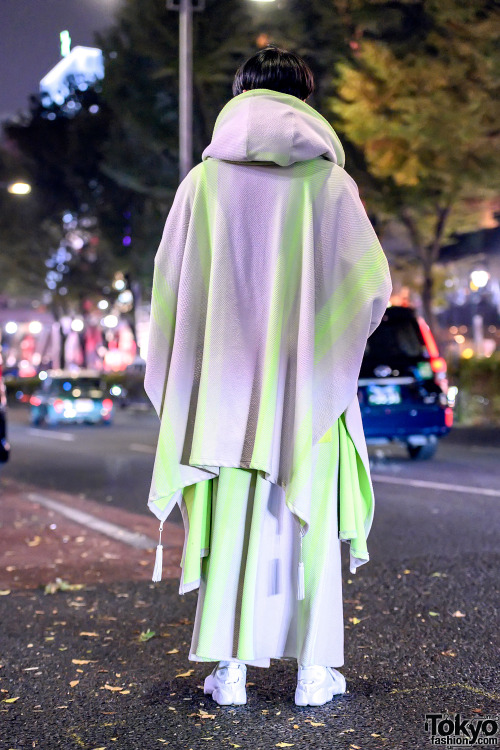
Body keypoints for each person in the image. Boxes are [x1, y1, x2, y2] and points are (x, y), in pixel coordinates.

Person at [144, 46, 392, 707]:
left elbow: (170, 291)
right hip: (308, 390)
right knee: (304, 526)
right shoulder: (331, 186)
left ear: (239, 97)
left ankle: (230, 673)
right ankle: (314, 674)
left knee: (232, 528)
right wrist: (320, 350)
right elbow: (370, 287)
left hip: (224, 395)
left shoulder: (201, 187)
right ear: (304, 102)